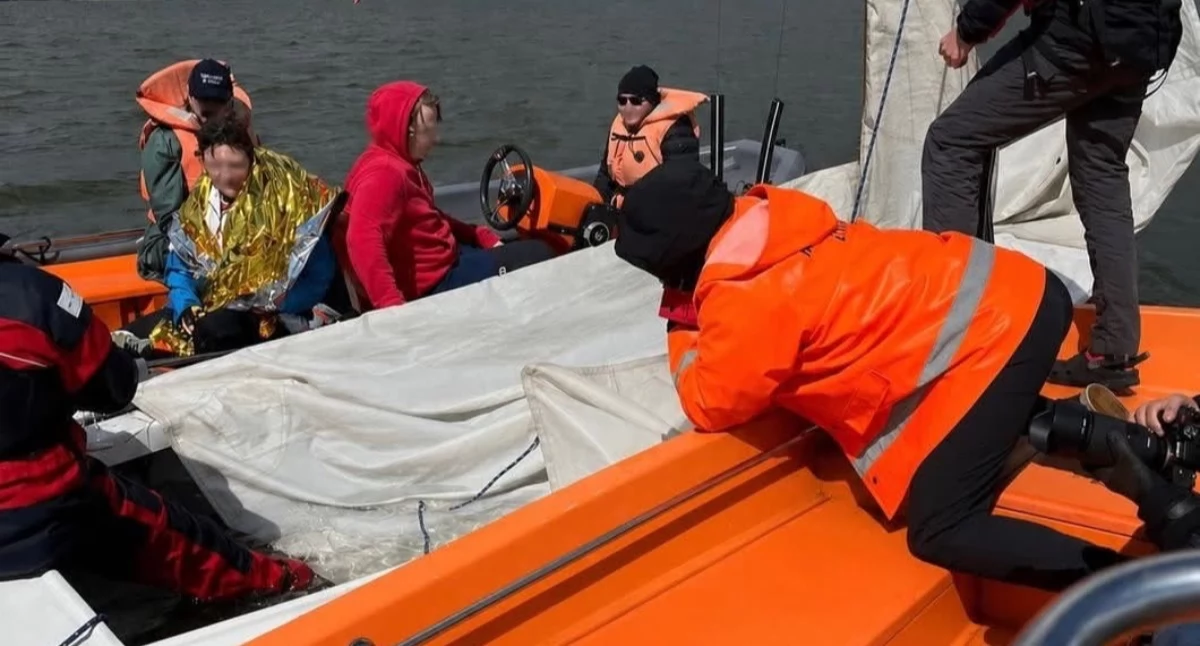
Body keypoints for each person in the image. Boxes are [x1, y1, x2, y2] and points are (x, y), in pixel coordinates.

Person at [614, 159, 1200, 592]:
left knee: (943, 527)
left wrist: (682, 320)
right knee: (1001, 424)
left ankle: (1129, 591)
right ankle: (1163, 492)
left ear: (674, 261)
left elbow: (709, 400)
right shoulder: (775, 222)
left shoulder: (746, 295)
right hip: (1021, 295)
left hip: (996, 330)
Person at [0, 241, 313, 607]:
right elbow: (112, 389)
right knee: (170, 531)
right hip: (36, 509)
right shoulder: (32, 296)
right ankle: (286, 581)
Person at [921, 0, 1183, 393]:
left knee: (952, 141)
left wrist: (966, 32)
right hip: (1141, 42)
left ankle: (952, 335)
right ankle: (1114, 350)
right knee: (1101, 171)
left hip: (1079, 37)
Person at [121, 114, 340, 358]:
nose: (225, 177)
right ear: (202, 160)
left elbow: (320, 272)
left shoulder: (286, 200)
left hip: (267, 316)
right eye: (215, 167)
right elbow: (179, 266)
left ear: (251, 158)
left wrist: (278, 306)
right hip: (207, 305)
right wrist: (186, 303)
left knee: (214, 331)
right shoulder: (199, 203)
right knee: (125, 338)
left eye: (236, 166)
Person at [334, 81, 554, 312]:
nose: (436, 139)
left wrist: (478, 235)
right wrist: (393, 310)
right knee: (540, 254)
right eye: (428, 131)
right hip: (434, 285)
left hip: (447, 258)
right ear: (405, 131)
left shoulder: (400, 162)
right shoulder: (384, 175)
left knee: (518, 247)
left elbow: (427, 214)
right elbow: (361, 239)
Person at [136, 59, 255, 282]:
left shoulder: (241, 132)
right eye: (202, 99)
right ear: (190, 95)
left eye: (216, 102)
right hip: (170, 240)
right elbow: (169, 220)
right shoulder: (165, 141)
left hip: (236, 228)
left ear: (229, 102)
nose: (207, 107)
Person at [593, 65, 706, 207]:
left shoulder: (676, 129)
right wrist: (597, 205)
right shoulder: (618, 126)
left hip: (659, 209)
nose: (628, 107)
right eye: (622, 101)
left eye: (636, 101)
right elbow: (605, 175)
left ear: (652, 102)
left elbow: (680, 186)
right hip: (621, 207)